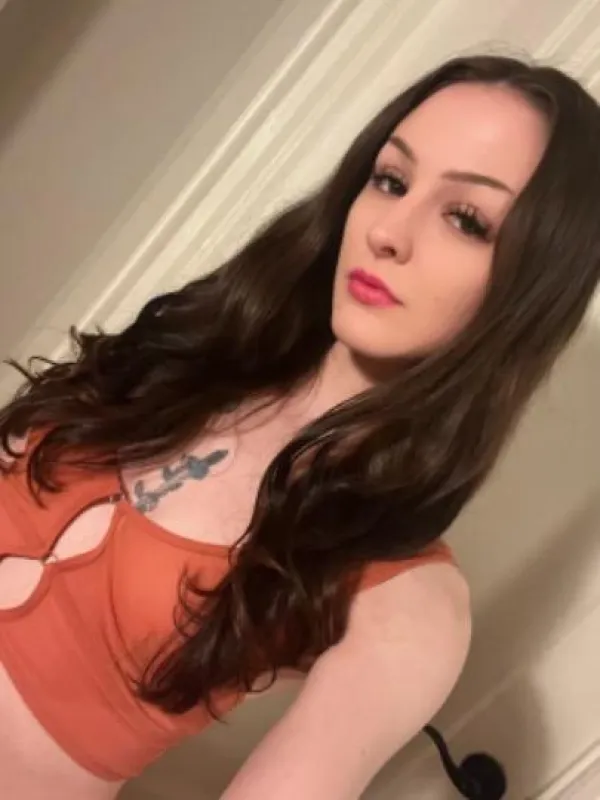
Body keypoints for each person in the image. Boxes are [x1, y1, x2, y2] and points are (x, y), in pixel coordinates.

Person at [0, 52, 598, 800]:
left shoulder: (404, 598)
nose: (389, 231)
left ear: (528, 293)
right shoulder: (199, 353)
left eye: (466, 219)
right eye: (391, 180)